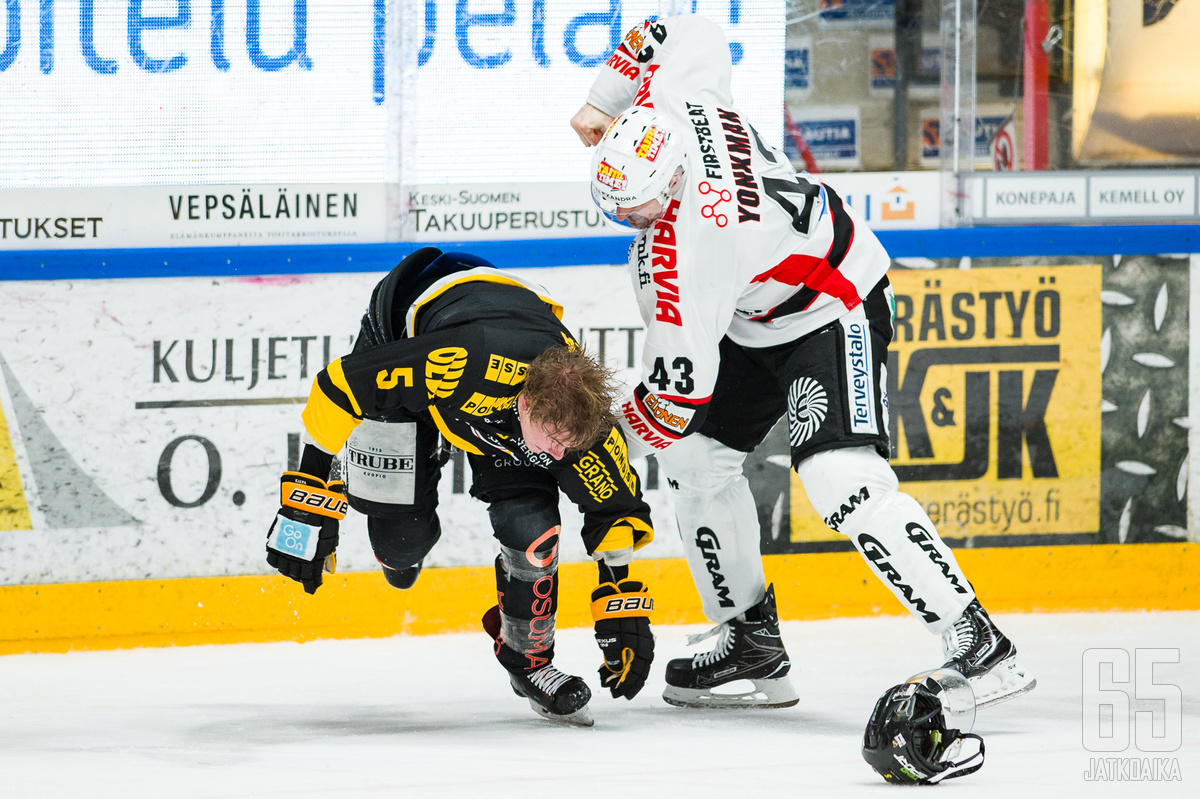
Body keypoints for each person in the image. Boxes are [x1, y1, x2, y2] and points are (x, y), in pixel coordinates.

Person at [570, 13, 1035, 709]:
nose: (631, 225)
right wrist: (605, 100)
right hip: (760, 308)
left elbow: (674, 398)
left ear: (669, 188)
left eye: (635, 212)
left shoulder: (692, 249)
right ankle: (750, 641)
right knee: (697, 460)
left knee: (840, 477)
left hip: (833, 304)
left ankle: (978, 641)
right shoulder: (676, 103)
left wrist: (598, 444)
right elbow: (680, 25)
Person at [265, 248, 656, 726]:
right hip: (409, 331)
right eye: (552, 443)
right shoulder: (457, 363)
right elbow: (337, 387)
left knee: (533, 532)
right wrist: (307, 497)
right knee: (401, 544)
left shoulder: (578, 428)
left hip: (507, 374)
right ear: (526, 404)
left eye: (566, 448)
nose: (558, 458)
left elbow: (615, 510)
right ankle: (401, 540)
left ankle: (529, 663)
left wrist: (621, 604)